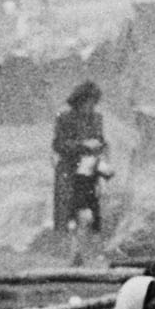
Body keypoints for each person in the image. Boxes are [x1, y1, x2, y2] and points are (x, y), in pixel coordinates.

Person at [51, 80, 109, 237]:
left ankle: (89, 240)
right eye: (87, 102)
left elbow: (100, 139)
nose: (90, 107)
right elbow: (58, 144)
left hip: (88, 168)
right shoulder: (64, 118)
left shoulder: (97, 118)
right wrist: (81, 145)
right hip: (68, 168)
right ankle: (65, 243)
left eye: (93, 102)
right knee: (66, 208)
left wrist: (100, 146)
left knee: (89, 206)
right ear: (79, 101)